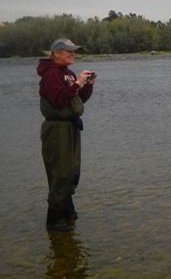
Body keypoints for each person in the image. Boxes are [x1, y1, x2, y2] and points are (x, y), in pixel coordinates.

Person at [37, 39, 96, 231]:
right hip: (57, 129)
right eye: (68, 51)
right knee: (60, 172)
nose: (73, 54)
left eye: (74, 51)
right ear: (56, 53)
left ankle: (67, 208)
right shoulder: (51, 74)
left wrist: (87, 85)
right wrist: (78, 82)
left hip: (71, 126)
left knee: (71, 171)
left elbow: (76, 100)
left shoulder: (68, 74)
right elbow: (59, 101)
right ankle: (54, 219)